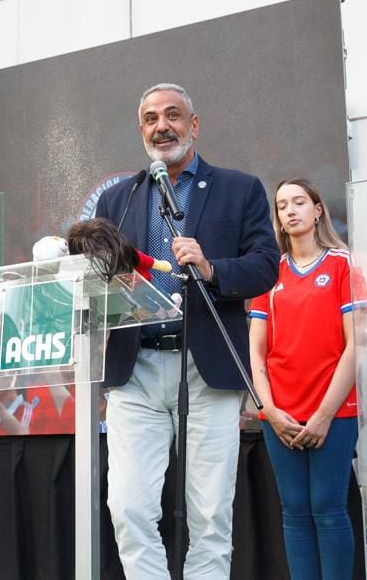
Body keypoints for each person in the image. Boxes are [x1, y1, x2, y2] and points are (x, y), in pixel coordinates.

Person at [95, 83, 279, 578]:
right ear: (141, 130)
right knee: (129, 509)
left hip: (207, 368)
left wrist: (212, 268)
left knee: (210, 516)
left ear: (193, 125)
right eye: (151, 119)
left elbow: (266, 267)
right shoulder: (116, 200)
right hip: (135, 370)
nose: (162, 127)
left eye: (173, 116)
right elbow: (100, 276)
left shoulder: (239, 189)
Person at [247, 178, 367, 579]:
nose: (290, 211)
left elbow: (356, 346)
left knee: (329, 508)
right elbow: (257, 354)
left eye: (299, 202)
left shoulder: (342, 265)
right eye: (282, 206)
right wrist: (270, 410)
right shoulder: (270, 273)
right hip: (280, 415)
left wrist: (323, 415)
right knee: (295, 510)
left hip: (333, 412)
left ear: (318, 209)